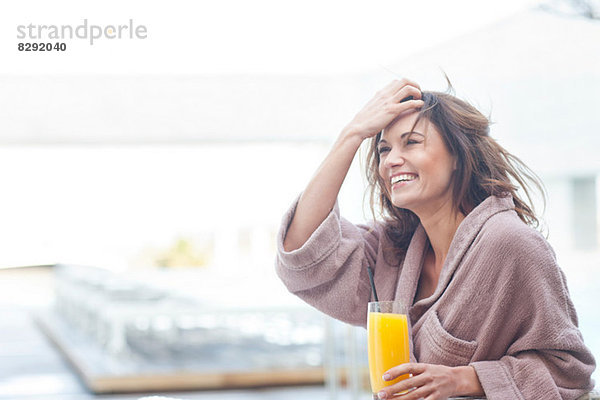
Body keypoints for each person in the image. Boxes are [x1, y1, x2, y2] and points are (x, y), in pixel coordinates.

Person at [275, 78, 596, 400]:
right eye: (384, 149)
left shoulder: (509, 244)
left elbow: (569, 370)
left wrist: (466, 379)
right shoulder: (393, 251)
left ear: (458, 154)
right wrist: (353, 134)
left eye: (411, 142)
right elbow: (302, 252)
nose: (390, 161)